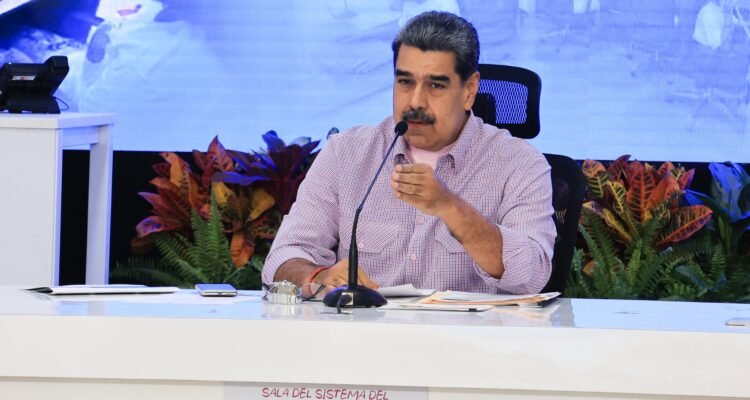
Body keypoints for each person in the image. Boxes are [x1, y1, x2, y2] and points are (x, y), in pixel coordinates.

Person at [262, 11, 556, 295]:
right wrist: (317, 276)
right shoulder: (346, 153)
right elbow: (283, 258)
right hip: (364, 328)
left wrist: (450, 207)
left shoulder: (519, 163)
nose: (415, 101)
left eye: (435, 85)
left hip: (468, 331)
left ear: (469, 90)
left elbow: (532, 275)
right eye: (405, 82)